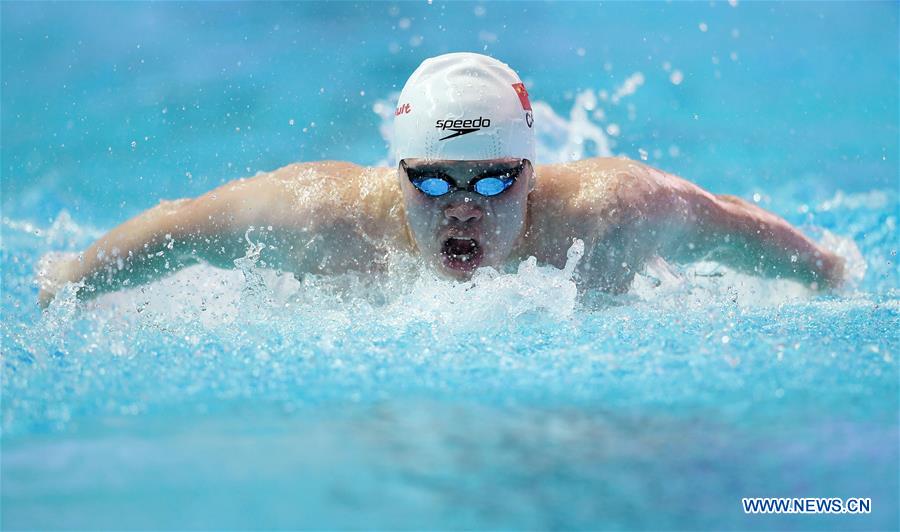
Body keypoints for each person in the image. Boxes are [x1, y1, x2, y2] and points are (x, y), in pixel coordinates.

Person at [37, 52, 846, 308]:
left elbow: (729, 222)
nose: (463, 207)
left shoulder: (609, 212)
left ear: (533, 175)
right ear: (396, 174)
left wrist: (825, 270)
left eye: (493, 182)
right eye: (432, 183)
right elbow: (181, 226)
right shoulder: (324, 216)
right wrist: (72, 276)